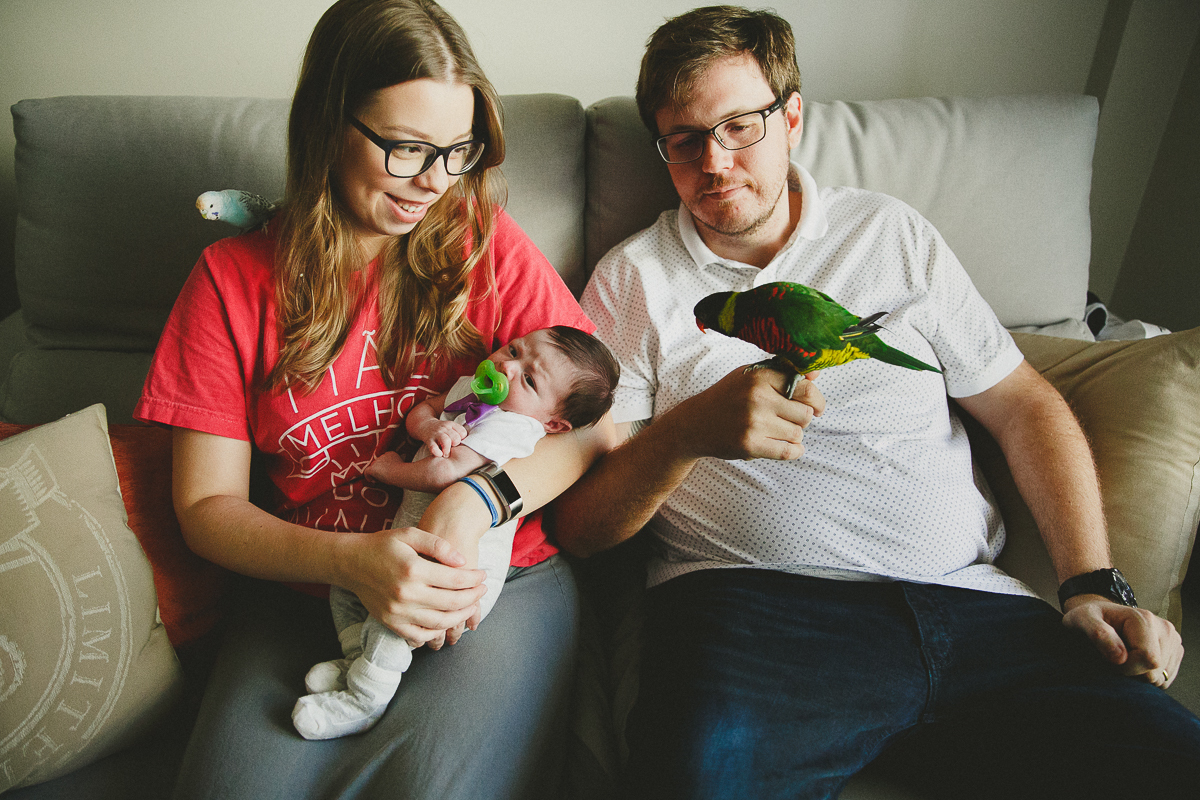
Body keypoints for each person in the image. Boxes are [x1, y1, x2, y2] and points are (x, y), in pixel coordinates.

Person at [554, 5, 1200, 799]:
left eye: (740, 126)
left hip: (977, 609)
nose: (714, 163)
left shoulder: (888, 234)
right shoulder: (633, 280)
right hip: (758, 619)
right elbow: (581, 526)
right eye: (683, 140)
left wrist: (1094, 583)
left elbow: (1024, 405)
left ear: (791, 116)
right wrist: (686, 434)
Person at [135, 1, 608, 797]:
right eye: (407, 148)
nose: (435, 180)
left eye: (457, 151)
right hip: (308, 591)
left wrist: (474, 502)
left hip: (489, 589)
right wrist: (353, 563)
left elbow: (597, 429)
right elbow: (205, 506)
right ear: (328, 124)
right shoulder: (231, 282)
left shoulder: (483, 246)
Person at [294, 326, 618, 740]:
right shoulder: (474, 388)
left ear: (553, 423)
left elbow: (443, 472)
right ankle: (357, 658)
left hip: (464, 556)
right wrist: (430, 428)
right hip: (415, 532)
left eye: (530, 379)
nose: (508, 366)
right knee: (347, 588)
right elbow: (422, 410)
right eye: (514, 350)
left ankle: (363, 700)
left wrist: (388, 470)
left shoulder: (516, 426)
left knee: (398, 620)